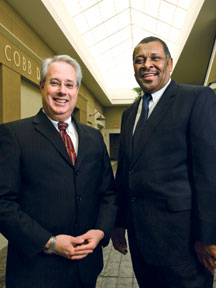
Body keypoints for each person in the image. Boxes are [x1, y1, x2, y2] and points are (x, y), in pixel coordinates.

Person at [0, 55, 117, 288]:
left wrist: (101, 231)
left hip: (86, 268)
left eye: (69, 84)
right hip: (35, 272)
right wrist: (49, 242)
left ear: (77, 90)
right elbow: (3, 203)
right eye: (55, 83)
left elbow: (108, 194)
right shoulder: (13, 135)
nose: (62, 90)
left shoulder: (93, 138)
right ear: (42, 85)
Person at [111, 36, 216, 288]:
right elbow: (126, 171)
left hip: (184, 243)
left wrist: (208, 236)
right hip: (141, 240)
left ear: (170, 63)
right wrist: (118, 223)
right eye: (139, 60)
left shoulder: (196, 98)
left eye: (154, 58)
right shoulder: (128, 115)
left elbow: (209, 172)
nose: (147, 64)